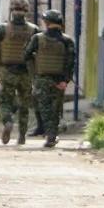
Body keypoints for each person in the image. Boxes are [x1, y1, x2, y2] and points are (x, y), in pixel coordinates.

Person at [0, 0, 39, 145]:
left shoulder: (2, 29)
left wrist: (0, 63)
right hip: (26, 72)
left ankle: (8, 122)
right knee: (24, 104)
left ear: (12, 10)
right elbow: (39, 51)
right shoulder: (34, 29)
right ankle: (22, 135)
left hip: (8, 70)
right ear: (26, 11)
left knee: (4, 100)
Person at [25, 10, 76, 148]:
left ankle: (50, 135)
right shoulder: (67, 40)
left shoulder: (37, 38)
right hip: (59, 80)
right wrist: (65, 80)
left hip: (42, 78)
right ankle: (52, 134)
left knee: (44, 108)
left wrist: (34, 73)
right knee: (55, 109)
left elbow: (27, 55)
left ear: (46, 23)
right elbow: (71, 62)